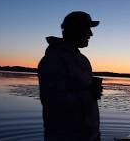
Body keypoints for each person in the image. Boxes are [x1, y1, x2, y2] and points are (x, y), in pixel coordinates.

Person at [38, 11, 103, 141]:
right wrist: (88, 93)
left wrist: (93, 92)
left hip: (90, 135)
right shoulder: (54, 59)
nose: (91, 34)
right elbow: (53, 101)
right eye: (87, 29)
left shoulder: (83, 59)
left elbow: (83, 92)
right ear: (75, 30)